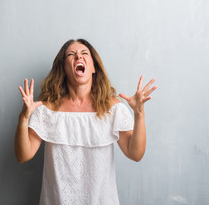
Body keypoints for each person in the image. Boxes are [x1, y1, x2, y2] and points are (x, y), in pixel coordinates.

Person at [14, 38, 158, 205]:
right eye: (71, 54)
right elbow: (23, 156)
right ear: (63, 68)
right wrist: (23, 119)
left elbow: (135, 154)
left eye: (84, 54)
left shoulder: (111, 107)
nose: (78, 57)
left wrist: (139, 114)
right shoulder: (47, 109)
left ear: (93, 67)